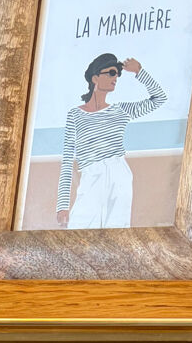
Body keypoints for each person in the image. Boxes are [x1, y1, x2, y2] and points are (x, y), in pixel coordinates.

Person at [56, 52, 167, 230]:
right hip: (90, 176)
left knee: (116, 235)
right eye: (111, 73)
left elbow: (159, 98)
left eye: (117, 74)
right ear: (95, 78)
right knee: (79, 233)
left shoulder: (120, 110)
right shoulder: (75, 115)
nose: (115, 78)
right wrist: (62, 205)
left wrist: (139, 71)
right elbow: (67, 160)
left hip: (118, 174)